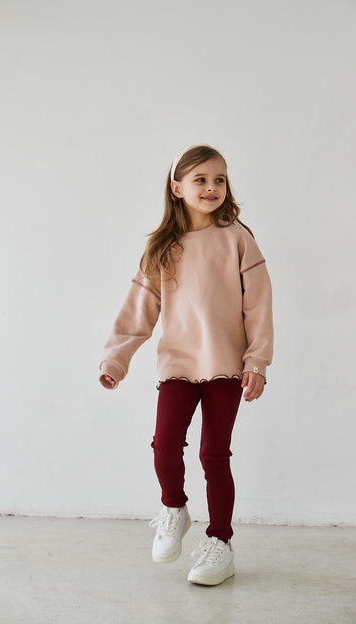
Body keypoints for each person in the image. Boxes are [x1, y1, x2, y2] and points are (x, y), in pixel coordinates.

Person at [98, 144, 273, 586]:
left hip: (226, 368)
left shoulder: (238, 239)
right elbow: (138, 312)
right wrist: (115, 360)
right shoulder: (163, 250)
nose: (211, 187)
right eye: (200, 180)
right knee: (163, 444)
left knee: (214, 455)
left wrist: (258, 360)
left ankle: (220, 544)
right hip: (177, 365)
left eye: (219, 179)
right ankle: (174, 507)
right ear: (177, 188)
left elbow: (259, 307)